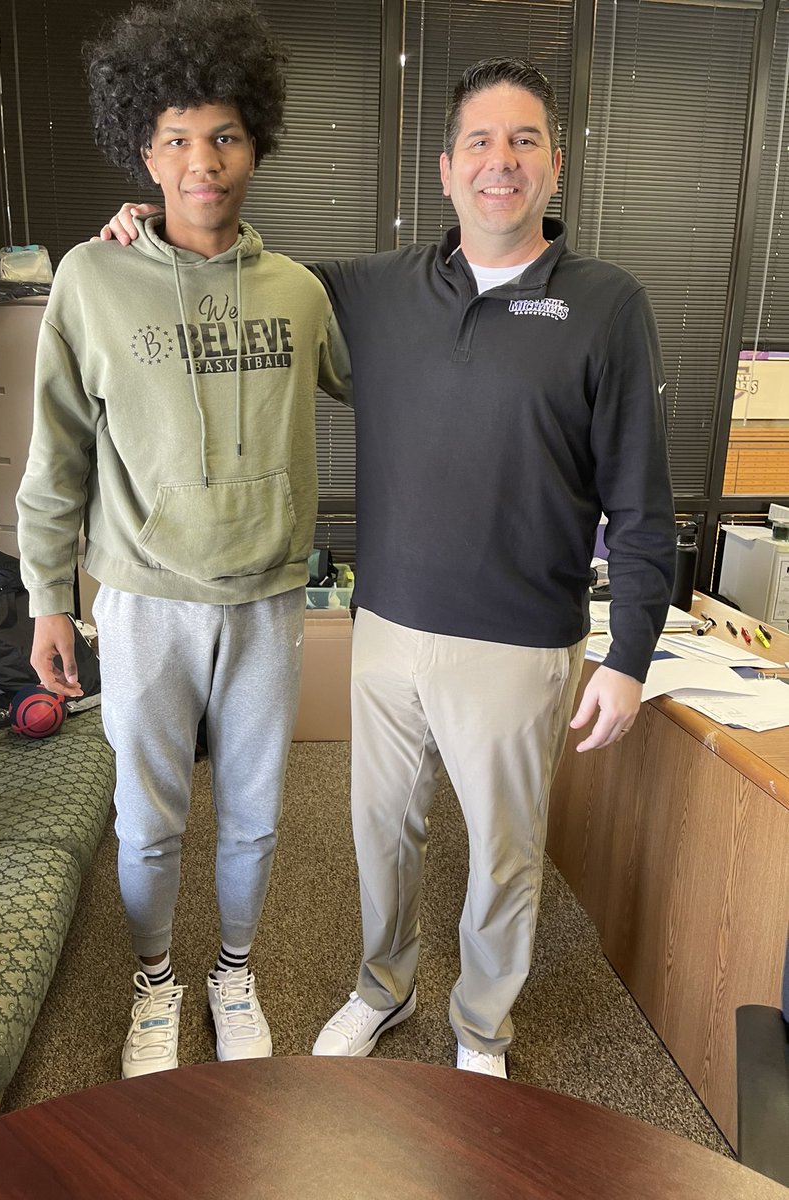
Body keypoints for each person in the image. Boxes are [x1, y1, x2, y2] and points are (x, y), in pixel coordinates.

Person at [99, 57, 675, 1077]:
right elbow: (245, 276)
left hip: (519, 638)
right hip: (389, 627)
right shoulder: (375, 288)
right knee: (381, 838)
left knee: (502, 859)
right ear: (446, 169)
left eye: (525, 141)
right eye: (483, 143)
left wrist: (629, 653)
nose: (502, 161)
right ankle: (381, 986)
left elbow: (639, 495)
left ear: (554, 167)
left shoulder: (606, 306)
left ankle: (481, 1029)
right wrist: (149, 237)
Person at [16, 0, 350, 1079]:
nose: (201, 161)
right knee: (147, 823)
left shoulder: (300, 294)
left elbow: (406, 381)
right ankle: (155, 980)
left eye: (223, 135)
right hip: (146, 598)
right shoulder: (89, 280)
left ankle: (236, 972)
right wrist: (46, 598)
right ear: (142, 150)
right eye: (174, 137)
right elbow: (56, 455)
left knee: (254, 819)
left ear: (255, 142)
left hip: (264, 598)